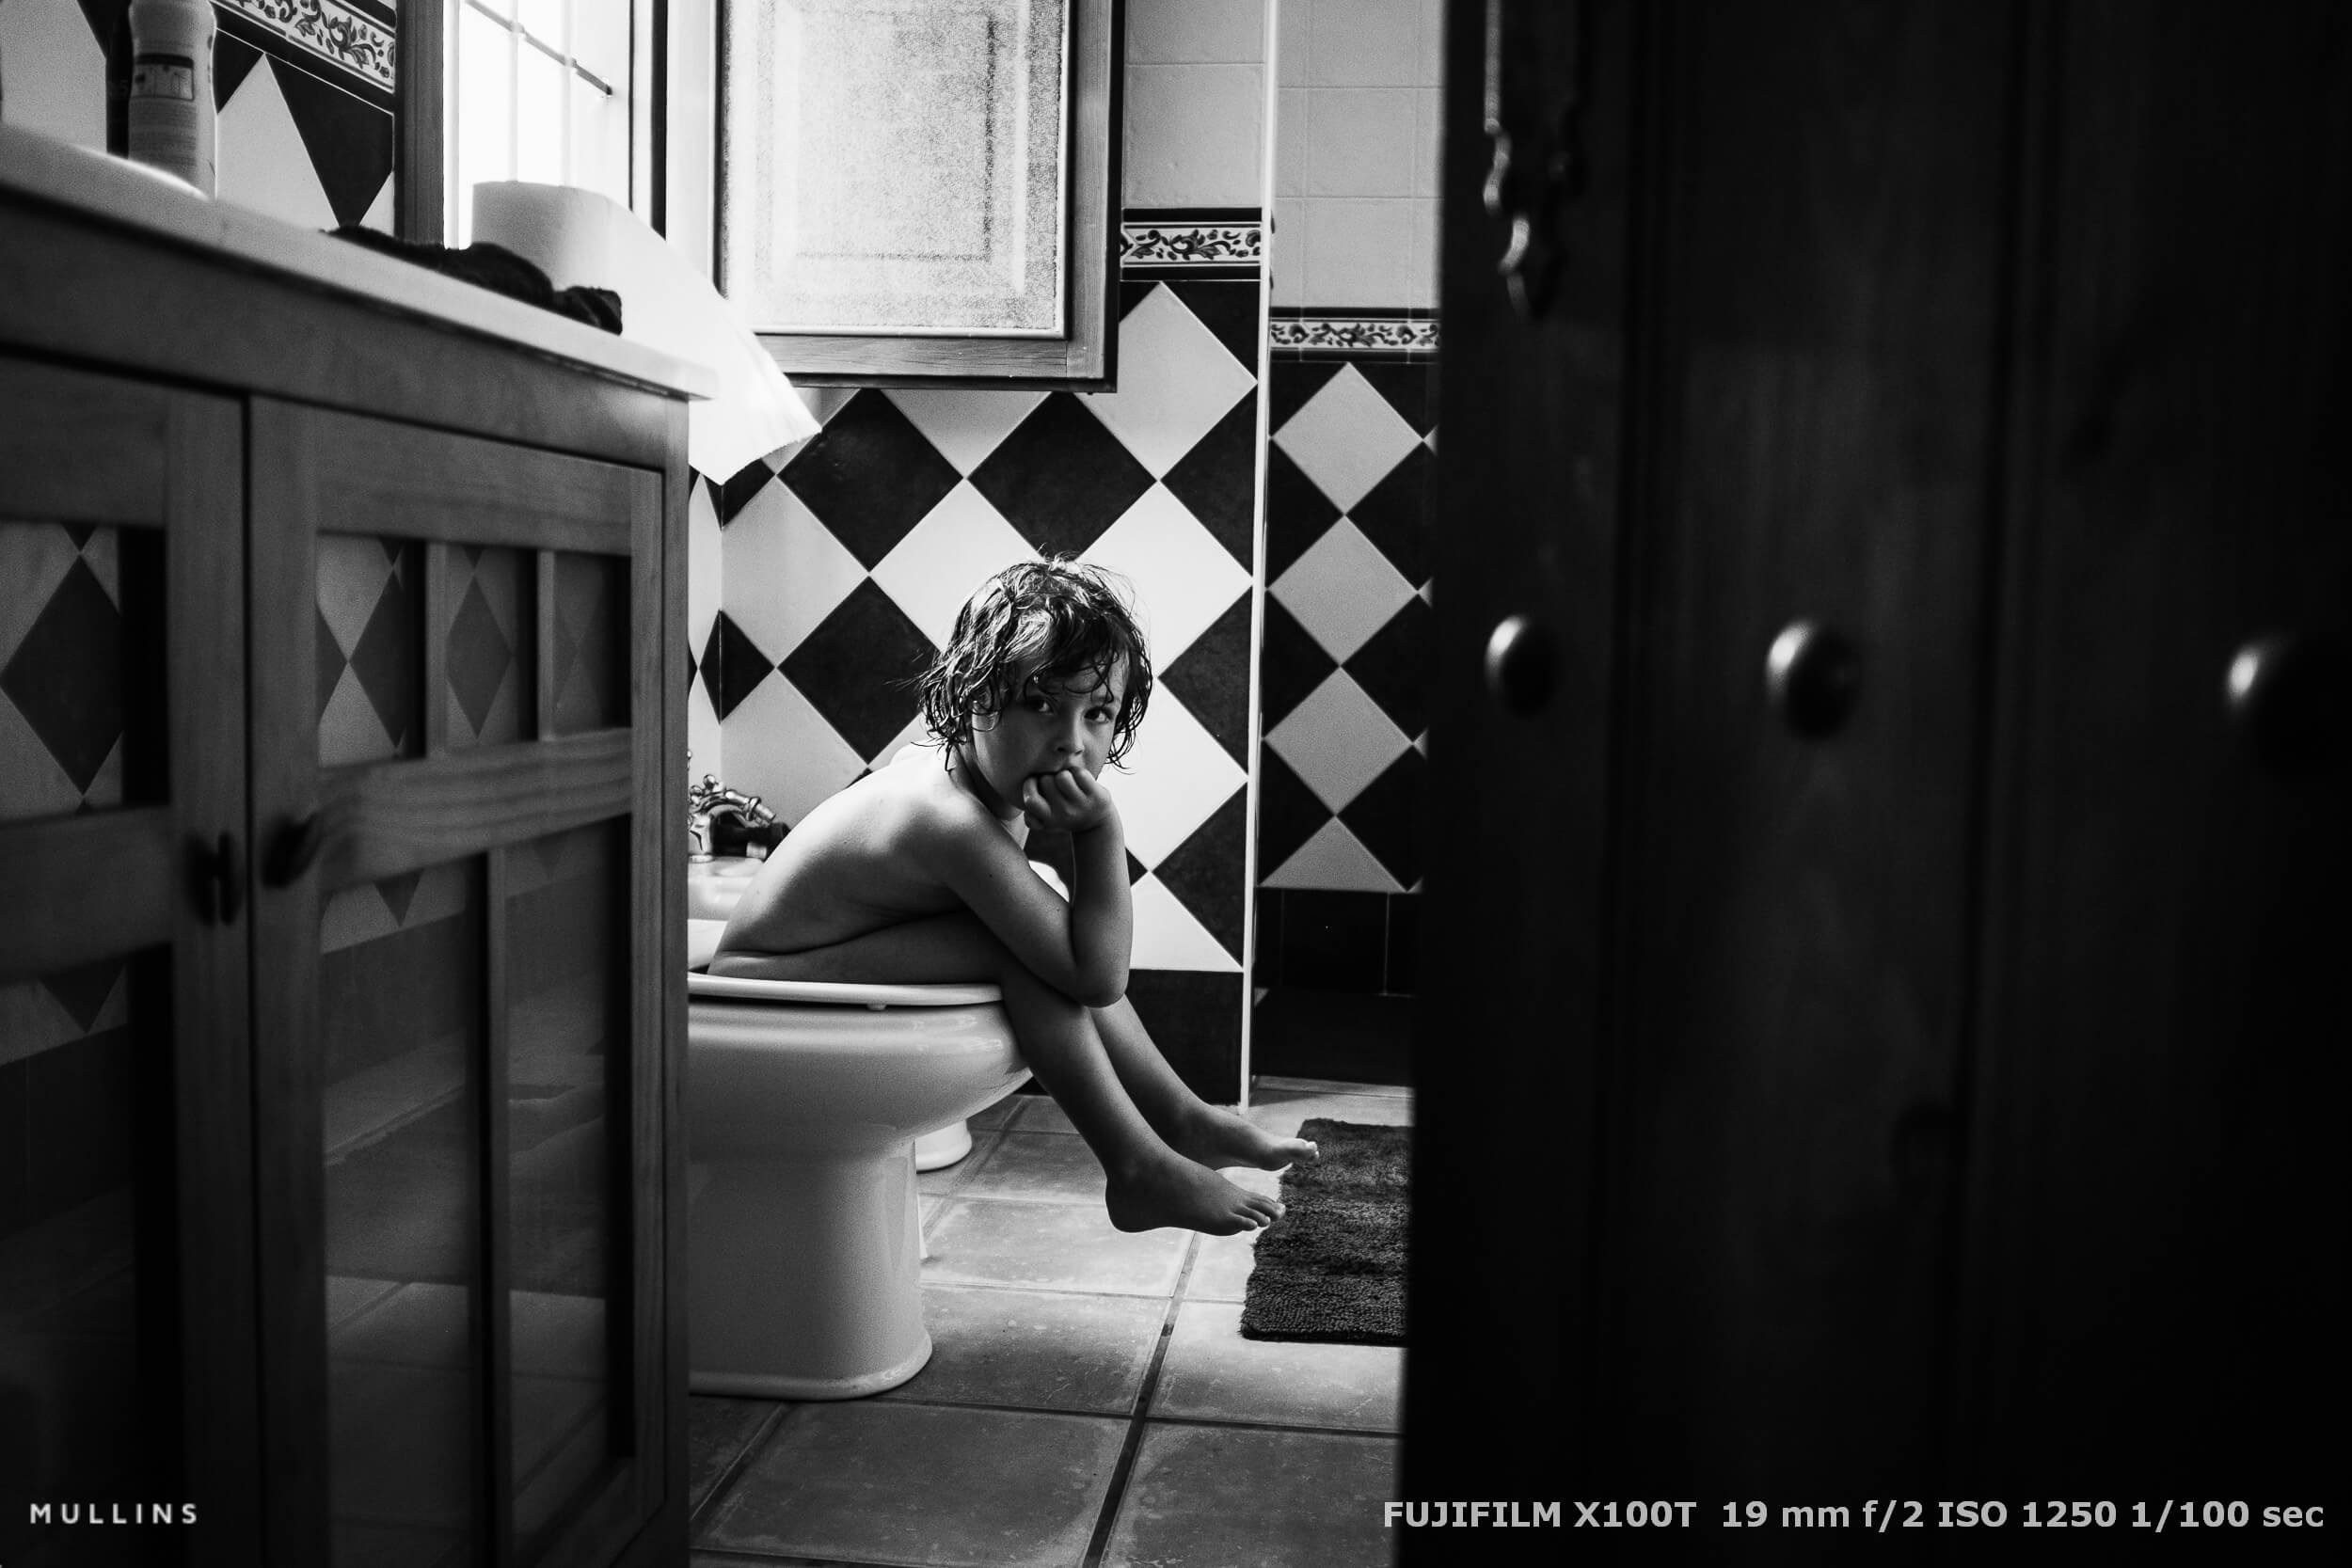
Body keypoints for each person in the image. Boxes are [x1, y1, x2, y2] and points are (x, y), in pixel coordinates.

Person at [712, 559, 1317, 1234]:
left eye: (1098, 713)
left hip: (804, 961)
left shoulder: (973, 782)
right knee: (1017, 950)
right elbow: (1097, 974)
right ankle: (1137, 1164)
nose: (1071, 740)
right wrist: (1098, 830)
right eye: (1041, 703)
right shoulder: (945, 818)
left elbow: (1083, 958)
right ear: (973, 700)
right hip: (761, 977)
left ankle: (1183, 1118)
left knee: (1037, 923)